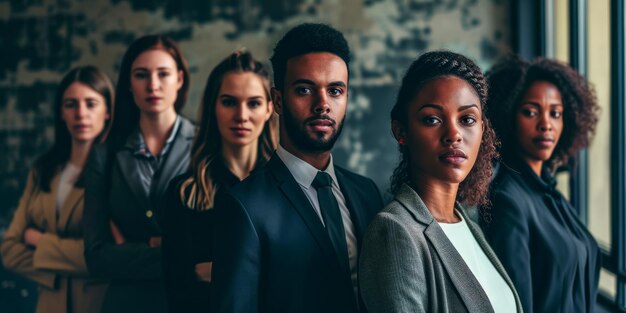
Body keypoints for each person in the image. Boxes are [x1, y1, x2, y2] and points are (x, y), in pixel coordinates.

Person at [209, 23, 384, 313]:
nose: (322, 104)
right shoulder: (244, 206)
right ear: (278, 100)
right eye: (305, 89)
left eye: (335, 91)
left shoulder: (366, 193)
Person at [359, 51, 523, 313]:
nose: (454, 134)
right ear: (401, 131)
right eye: (432, 119)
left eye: (467, 119)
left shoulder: (469, 226)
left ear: (482, 129)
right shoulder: (395, 231)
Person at [82, 35, 194, 313]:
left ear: (179, 79)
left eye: (163, 74)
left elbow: (217, 249)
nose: (152, 85)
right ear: (129, 84)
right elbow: (96, 257)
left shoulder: (207, 147)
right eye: (141, 75)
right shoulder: (103, 156)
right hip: (126, 304)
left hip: (192, 302)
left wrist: (133, 248)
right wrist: (174, 252)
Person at [480, 56, 600, 313]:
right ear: (508, 116)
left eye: (555, 113)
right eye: (531, 112)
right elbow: (516, 306)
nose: (546, 124)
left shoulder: (549, 193)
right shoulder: (507, 200)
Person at [161, 50, 277, 313]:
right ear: (213, 106)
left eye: (254, 103)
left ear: (270, 108)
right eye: (229, 102)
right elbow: (178, 291)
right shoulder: (184, 192)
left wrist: (217, 270)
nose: (242, 115)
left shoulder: (287, 188)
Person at [1, 66, 114, 313]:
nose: (80, 113)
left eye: (91, 103)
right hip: (49, 305)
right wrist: (66, 269)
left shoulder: (118, 172)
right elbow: (9, 250)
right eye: (71, 104)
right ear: (61, 113)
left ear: (107, 111)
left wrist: (41, 241)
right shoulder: (44, 169)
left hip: (97, 306)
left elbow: (108, 256)